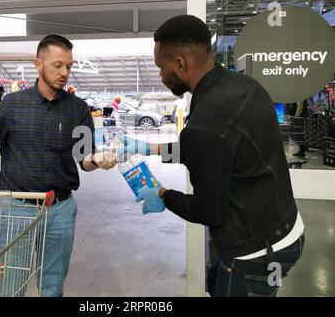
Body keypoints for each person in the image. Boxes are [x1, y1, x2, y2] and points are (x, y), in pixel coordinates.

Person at [119, 15, 305, 297]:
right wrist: (150, 148)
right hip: (286, 227)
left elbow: (208, 211)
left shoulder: (205, 123)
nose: (160, 75)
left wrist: (163, 195)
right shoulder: (245, 87)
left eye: (161, 67)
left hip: (254, 253)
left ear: (180, 64)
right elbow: (218, 149)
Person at [0, 34, 118, 297]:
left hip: (60, 210)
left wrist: (98, 160)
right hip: (17, 209)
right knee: (12, 286)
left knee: (52, 288)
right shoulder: (11, 105)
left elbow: (85, 158)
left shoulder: (78, 109)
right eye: (57, 65)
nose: (64, 72)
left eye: (68, 66)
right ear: (38, 64)